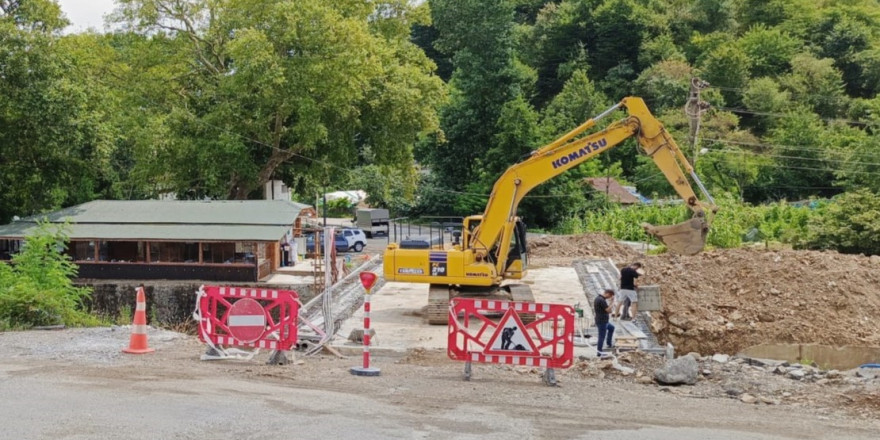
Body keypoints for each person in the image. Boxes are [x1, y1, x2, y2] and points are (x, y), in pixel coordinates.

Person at [593, 288, 616, 357]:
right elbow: (608, 310)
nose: (609, 298)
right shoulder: (601, 300)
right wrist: (612, 303)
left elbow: (607, 309)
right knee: (601, 336)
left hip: (603, 320)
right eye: (610, 296)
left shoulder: (599, 298)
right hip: (602, 321)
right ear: (608, 294)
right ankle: (599, 352)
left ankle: (609, 343)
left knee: (611, 328)